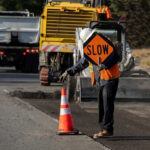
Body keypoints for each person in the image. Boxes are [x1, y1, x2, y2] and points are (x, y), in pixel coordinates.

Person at [60, 45, 120, 138]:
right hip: (101, 80)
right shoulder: (90, 49)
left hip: (110, 79)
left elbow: (115, 58)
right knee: (102, 106)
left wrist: (103, 65)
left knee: (107, 105)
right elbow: (82, 63)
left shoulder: (106, 47)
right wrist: (69, 71)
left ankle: (107, 130)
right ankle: (104, 129)